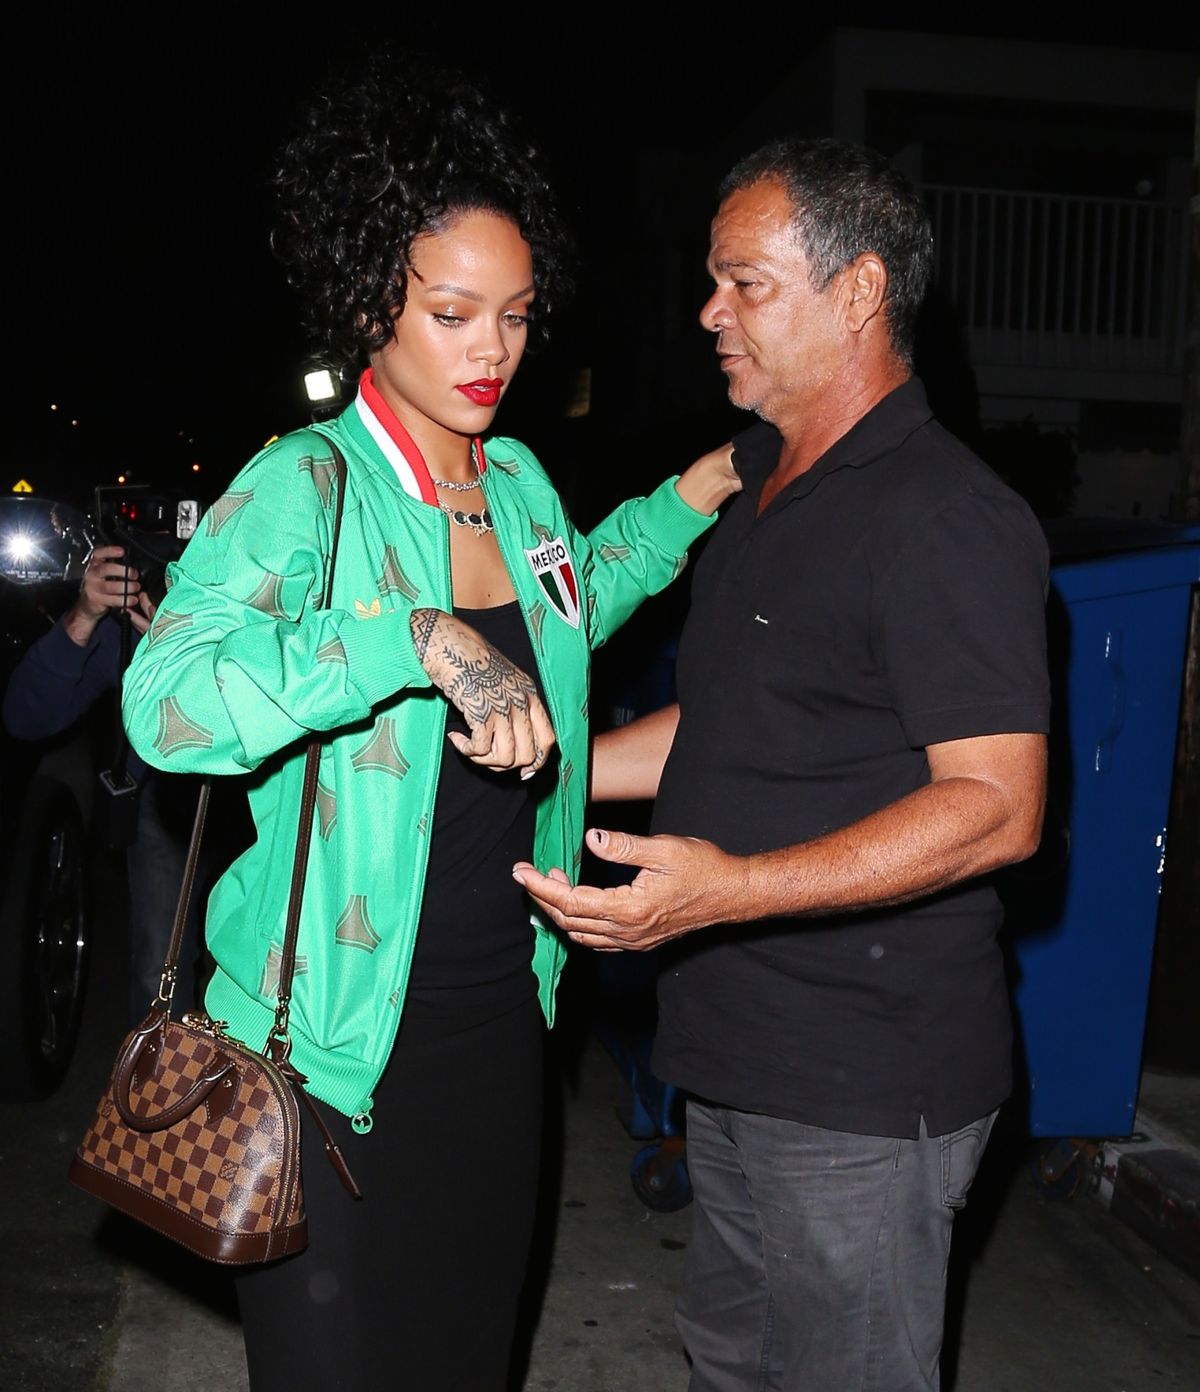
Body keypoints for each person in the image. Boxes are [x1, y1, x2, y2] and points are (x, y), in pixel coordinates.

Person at [120, 55, 739, 1392]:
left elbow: (573, 600)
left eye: (513, 316)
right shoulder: (309, 487)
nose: (491, 352)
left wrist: (695, 491)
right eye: (452, 314)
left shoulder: (516, 482)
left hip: (503, 1024)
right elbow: (164, 704)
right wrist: (413, 639)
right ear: (371, 304)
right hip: (327, 1053)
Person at [514, 137, 1050, 1392]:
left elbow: (998, 808)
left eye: (744, 283)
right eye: (713, 282)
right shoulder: (761, 487)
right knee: (731, 1366)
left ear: (858, 292)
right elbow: (729, 724)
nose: (710, 313)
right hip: (739, 1053)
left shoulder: (944, 515)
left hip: (862, 1079)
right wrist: (540, 765)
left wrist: (732, 889)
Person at [2, 544, 209, 1025]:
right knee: (161, 978)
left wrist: (192, 651)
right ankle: (161, 1072)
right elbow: (25, 717)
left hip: (278, 800)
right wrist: (85, 614)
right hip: (170, 795)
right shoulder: (135, 616)